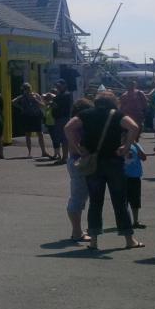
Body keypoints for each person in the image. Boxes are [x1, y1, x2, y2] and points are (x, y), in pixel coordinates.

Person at [64, 91, 143, 251]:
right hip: (114, 161)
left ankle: (93, 241)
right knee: (120, 201)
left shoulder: (85, 114)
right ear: (113, 102)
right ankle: (129, 239)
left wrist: (77, 148)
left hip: (93, 163)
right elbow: (134, 127)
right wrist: (126, 146)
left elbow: (68, 127)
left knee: (95, 201)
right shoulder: (117, 115)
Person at [63, 98, 94, 242]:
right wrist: (79, 150)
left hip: (74, 160)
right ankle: (76, 232)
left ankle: (78, 230)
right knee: (78, 198)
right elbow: (77, 143)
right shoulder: (77, 126)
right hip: (79, 162)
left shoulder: (76, 123)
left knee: (80, 197)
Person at [14, 83, 49, 159]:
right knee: (27, 134)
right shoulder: (22, 97)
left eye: (26, 89)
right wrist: (21, 108)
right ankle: (29, 152)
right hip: (27, 117)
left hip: (36, 116)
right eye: (24, 89)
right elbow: (13, 102)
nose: (25, 91)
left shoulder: (36, 95)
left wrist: (35, 100)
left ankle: (43, 151)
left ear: (29, 89)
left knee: (40, 134)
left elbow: (43, 105)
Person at [124, 140, 147, 229]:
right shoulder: (117, 144)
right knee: (123, 201)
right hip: (122, 177)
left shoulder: (136, 145)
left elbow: (144, 158)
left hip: (135, 177)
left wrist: (135, 145)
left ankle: (136, 221)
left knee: (135, 200)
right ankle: (124, 221)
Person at [50, 80, 73, 165]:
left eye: (59, 86)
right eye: (57, 86)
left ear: (64, 85)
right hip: (59, 119)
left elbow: (60, 105)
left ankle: (65, 158)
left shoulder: (66, 94)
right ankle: (64, 157)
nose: (58, 87)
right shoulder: (60, 95)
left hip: (63, 118)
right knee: (60, 138)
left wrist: (53, 101)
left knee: (64, 139)